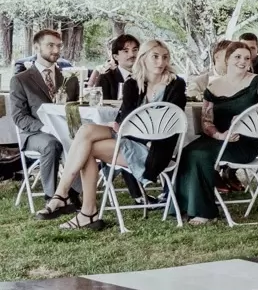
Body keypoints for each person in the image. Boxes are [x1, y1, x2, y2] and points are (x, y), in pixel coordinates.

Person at [40, 40, 187, 229]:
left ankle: (78, 207)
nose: (160, 62)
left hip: (155, 151)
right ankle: (68, 200)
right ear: (144, 58)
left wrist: (124, 128)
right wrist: (121, 127)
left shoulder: (175, 84)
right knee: (85, 131)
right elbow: (127, 118)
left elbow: (167, 124)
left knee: (88, 149)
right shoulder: (133, 84)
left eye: (164, 57)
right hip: (129, 139)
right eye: (155, 57)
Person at [174, 40, 258, 223]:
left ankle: (205, 213)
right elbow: (206, 120)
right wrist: (219, 135)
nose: (242, 61)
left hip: (244, 141)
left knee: (200, 154)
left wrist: (245, 114)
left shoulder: (256, 81)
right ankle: (186, 206)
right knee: (187, 152)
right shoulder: (213, 86)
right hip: (219, 137)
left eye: (247, 58)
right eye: (237, 57)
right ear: (227, 59)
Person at [9, 30, 80, 206]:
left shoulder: (70, 78)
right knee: (51, 143)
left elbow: (76, 110)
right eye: (50, 45)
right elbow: (19, 117)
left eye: (59, 46)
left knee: (81, 141)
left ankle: (76, 191)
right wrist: (44, 127)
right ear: (36, 47)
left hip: (65, 130)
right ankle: (53, 196)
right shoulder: (21, 80)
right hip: (34, 134)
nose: (56, 50)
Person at [91, 33, 139, 101]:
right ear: (115, 56)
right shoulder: (106, 79)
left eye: (135, 50)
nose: (132, 54)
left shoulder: (146, 77)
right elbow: (102, 108)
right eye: (126, 51)